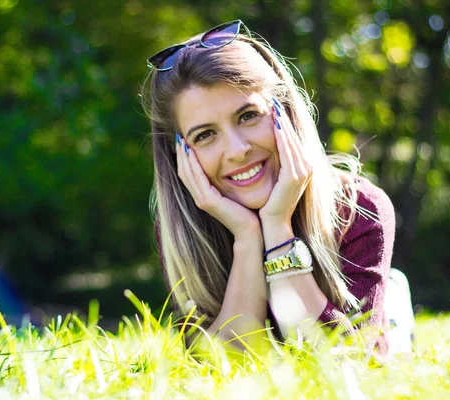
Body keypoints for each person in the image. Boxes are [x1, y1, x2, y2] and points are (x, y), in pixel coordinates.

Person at [141, 20, 402, 354]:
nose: (237, 150)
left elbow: (354, 362)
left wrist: (278, 228)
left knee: (392, 316)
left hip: (382, 319)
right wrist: (248, 237)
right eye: (205, 135)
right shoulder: (182, 231)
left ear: (286, 113)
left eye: (248, 116)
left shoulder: (360, 207)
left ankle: (395, 302)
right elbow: (223, 367)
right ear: (181, 155)